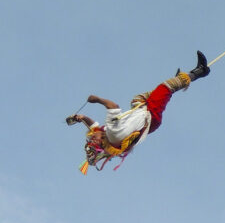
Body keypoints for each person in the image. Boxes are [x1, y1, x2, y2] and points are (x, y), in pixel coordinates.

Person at [66, 50, 210, 171]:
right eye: (93, 139)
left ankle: (178, 81)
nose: (92, 136)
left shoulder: (108, 139)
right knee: (166, 87)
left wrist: (82, 117)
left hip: (142, 110)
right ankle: (200, 71)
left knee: (137, 99)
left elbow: (93, 127)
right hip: (150, 114)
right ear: (100, 143)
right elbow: (113, 106)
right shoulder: (112, 133)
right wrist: (96, 99)